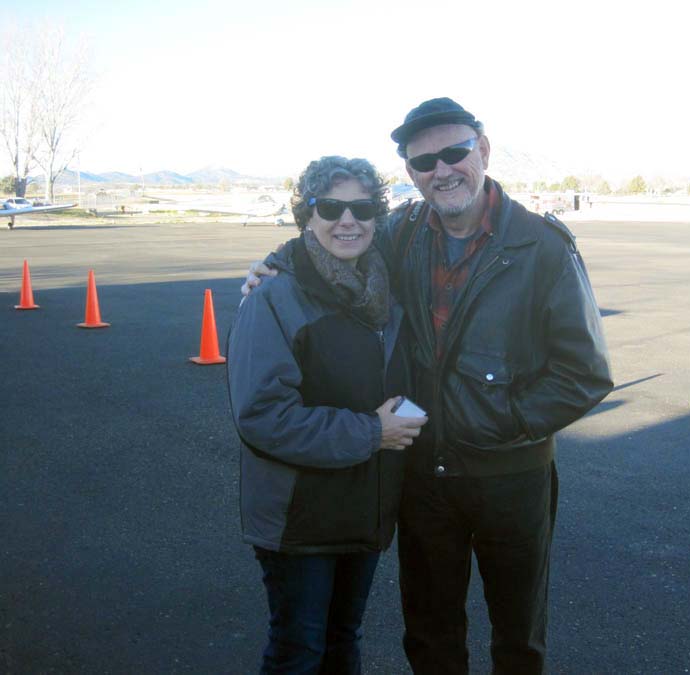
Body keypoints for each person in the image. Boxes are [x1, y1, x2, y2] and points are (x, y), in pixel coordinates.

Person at [243, 98, 614, 674]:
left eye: (454, 152)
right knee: (431, 632)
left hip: (510, 476)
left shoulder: (541, 246)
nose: (441, 170)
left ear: (483, 151)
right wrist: (273, 264)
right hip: (424, 480)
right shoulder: (402, 233)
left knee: (518, 634)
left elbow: (584, 374)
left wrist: (498, 424)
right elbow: (330, 244)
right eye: (423, 163)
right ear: (412, 176)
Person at [227, 155, 428, 674]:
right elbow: (263, 416)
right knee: (299, 650)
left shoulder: (386, 290)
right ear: (307, 214)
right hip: (301, 517)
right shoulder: (274, 294)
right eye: (331, 206)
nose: (348, 220)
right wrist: (372, 431)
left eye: (362, 208)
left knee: (343, 640)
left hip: (363, 506)